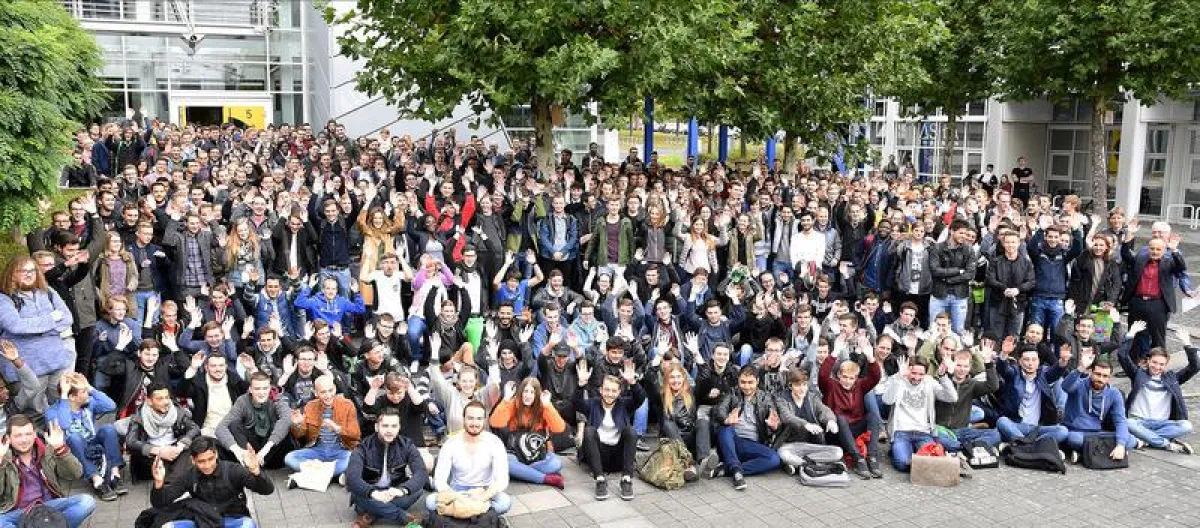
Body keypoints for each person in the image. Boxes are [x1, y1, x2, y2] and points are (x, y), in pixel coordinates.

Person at [149, 436, 275, 528]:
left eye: (210, 459)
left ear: (216, 455)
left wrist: (255, 471)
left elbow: (267, 490)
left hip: (233, 520)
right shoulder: (189, 475)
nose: (207, 465)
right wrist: (159, 483)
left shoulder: (233, 470)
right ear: (193, 460)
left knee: (248, 525)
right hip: (202, 520)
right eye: (201, 461)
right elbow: (160, 503)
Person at [0, 256, 75, 400]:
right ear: (12, 274)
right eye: (23, 271)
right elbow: (16, 326)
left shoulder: (47, 292)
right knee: (33, 411)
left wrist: (34, 329)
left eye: (32, 271)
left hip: (56, 363)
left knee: (60, 407)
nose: (29, 274)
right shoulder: (4, 298)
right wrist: (51, 318)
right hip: (25, 371)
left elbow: (67, 318)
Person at [0, 416, 96, 528]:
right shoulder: (4, 456)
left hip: (48, 506)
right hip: (18, 511)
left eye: (28, 434)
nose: (24, 440)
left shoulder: (47, 450)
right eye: (18, 436)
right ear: (8, 438)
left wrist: (60, 449)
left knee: (87, 502)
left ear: (34, 434)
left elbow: (75, 474)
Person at [774, 368, 869, 478]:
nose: (802, 389)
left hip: (812, 446)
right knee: (783, 453)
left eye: (804, 385)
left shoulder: (812, 397)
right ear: (791, 385)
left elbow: (824, 410)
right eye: (797, 385)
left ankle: (799, 465)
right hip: (791, 445)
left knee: (838, 452)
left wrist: (831, 421)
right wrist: (806, 425)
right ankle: (815, 465)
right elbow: (787, 417)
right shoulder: (782, 398)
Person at [44, 373, 126, 501]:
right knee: (74, 437)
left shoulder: (89, 404)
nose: (88, 393)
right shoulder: (52, 411)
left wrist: (90, 387)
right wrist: (64, 397)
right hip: (71, 451)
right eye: (84, 391)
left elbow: (111, 406)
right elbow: (65, 424)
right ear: (72, 396)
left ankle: (114, 475)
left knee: (108, 429)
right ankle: (96, 480)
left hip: (91, 442)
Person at [346, 409, 428, 528]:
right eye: (385, 426)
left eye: (394, 426)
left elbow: (421, 472)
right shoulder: (363, 447)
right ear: (376, 427)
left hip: (393, 491)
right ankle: (404, 517)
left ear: (399, 427)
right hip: (370, 492)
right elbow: (352, 478)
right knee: (358, 494)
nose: (389, 430)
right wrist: (373, 493)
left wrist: (402, 490)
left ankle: (371, 514)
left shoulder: (407, 445)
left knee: (417, 490)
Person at [574, 359, 643, 500]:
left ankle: (626, 479)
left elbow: (640, 399)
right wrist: (581, 385)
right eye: (606, 390)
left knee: (631, 431)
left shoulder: (624, 404)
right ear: (601, 390)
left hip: (618, 456)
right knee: (589, 431)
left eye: (613, 391)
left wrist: (633, 383)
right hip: (598, 455)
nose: (609, 394)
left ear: (619, 393)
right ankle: (600, 480)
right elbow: (576, 403)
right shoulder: (593, 404)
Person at [426, 401, 511, 514]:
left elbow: (502, 480)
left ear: (484, 420)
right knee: (430, 502)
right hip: (458, 490)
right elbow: (439, 480)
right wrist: (458, 497)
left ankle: (460, 513)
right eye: (470, 418)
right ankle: (478, 512)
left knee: (505, 502)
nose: (475, 423)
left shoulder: (495, 442)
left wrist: (483, 497)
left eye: (479, 419)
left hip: (485, 489)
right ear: (463, 419)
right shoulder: (451, 443)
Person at [710, 365, 782, 490]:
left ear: (757, 381)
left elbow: (773, 420)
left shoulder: (765, 398)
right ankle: (736, 472)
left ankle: (730, 469)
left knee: (774, 459)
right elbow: (719, 409)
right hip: (731, 440)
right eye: (743, 382)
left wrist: (774, 427)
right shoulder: (732, 393)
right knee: (725, 429)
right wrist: (726, 419)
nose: (746, 386)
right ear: (738, 381)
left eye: (750, 382)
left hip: (752, 444)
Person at [880, 355, 957, 472]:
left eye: (921, 374)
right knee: (902, 464)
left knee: (935, 460)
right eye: (914, 373)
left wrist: (943, 377)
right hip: (901, 431)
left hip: (923, 433)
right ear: (908, 370)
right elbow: (887, 400)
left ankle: (916, 455)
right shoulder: (898, 380)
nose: (916, 377)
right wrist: (899, 377)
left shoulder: (929, 382)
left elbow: (952, 398)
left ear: (926, 374)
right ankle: (908, 454)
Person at [489, 377, 567, 489]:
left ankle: (521, 472)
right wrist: (506, 399)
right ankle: (546, 478)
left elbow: (559, 428)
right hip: (516, 453)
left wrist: (547, 405)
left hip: (538, 455)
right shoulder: (513, 404)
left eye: (532, 392)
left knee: (556, 464)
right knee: (506, 463)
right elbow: (495, 422)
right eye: (525, 391)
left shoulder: (543, 406)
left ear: (537, 394)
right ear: (521, 392)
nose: (528, 395)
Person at [1060, 352, 1138, 462]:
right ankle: (1102, 452)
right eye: (1097, 374)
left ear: (1109, 377)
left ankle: (1084, 454)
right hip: (1077, 432)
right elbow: (1065, 387)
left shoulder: (1114, 393)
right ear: (1091, 372)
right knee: (1074, 439)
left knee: (1128, 440)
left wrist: (1120, 445)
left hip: (1098, 433)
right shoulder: (1079, 384)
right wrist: (1081, 368)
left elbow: (1120, 420)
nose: (1100, 379)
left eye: (1105, 376)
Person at [993, 339, 1071, 444]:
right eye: (1026, 360)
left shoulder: (1043, 373)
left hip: (1037, 428)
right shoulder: (1014, 373)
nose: (1030, 363)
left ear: (1038, 362)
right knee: (1002, 421)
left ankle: (1024, 444)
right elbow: (1003, 369)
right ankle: (1031, 445)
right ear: (1020, 361)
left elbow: (1056, 371)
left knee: (1062, 431)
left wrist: (1063, 360)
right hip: (1016, 425)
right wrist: (1004, 354)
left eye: (1034, 360)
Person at [285, 374, 361, 480]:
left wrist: (337, 428)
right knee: (289, 458)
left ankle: (311, 475)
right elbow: (300, 434)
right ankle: (331, 475)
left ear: (335, 388)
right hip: (317, 450)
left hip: (341, 450)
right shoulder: (310, 406)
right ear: (316, 393)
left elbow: (356, 435)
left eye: (331, 390)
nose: (328, 395)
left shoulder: (347, 405)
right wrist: (297, 424)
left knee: (353, 459)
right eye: (323, 392)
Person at [215, 372, 293, 470]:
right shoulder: (242, 401)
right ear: (250, 389)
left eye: (265, 388)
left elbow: (287, 419)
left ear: (269, 388)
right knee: (234, 425)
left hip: (272, 449)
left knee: (282, 426)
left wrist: (264, 451)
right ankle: (248, 461)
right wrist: (237, 451)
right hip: (251, 446)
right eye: (257, 389)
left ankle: (257, 464)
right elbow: (220, 428)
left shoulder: (277, 399)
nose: (261, 393)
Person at [126, 382, 201, 481]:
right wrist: (159, 451)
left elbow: (194, 428)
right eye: (160, 399)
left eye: (167, 397)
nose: (166, 402)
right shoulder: (139, 416)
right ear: (149, 401)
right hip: (151, 456)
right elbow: (131, 442)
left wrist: (180, 446)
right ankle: (174, 481)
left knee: (190, 449)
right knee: (176, 469)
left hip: (174, 450)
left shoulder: (177, 411)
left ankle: (172, 482)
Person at [934, 347, 1002, 453]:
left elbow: (993, 386)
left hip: (962, 431)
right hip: (942, 430)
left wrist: (988, 363)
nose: (962, 369)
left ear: (970, 367)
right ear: (952, 364)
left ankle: (965, 448)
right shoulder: (942, 381)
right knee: (939, 439)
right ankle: (969, 449)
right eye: (958, 365)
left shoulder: (972, 384)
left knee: (995, 434)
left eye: (965, 366)